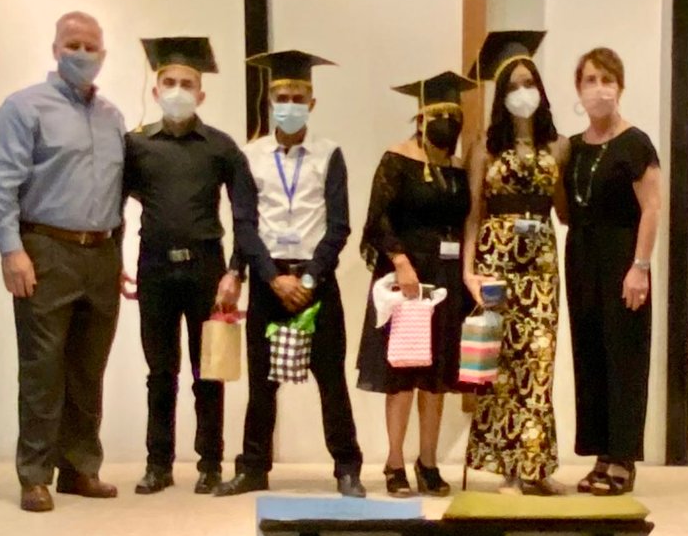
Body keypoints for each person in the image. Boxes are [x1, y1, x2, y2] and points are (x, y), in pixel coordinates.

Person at [0, 10, 125, 512]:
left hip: (101, 251)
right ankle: (35, 474)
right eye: (72, 44)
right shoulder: (25, 108)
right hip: (45, 248)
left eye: (90, 46)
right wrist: (11, 249)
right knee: (43, 367)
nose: (81, 54)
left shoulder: (112, 117)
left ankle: (80, 468)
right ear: (55, 49)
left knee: (89, 368)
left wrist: (117, 254)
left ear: (103, 54)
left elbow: (117, 192)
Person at [219, 50, 366, 498]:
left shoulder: (329, 155)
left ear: (312, 103)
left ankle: (347, 467)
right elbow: (244, 224)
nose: (289, 105)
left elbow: (338, 226)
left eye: (298, 98)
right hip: (270, 281)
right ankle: (253, 467)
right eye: (282, 97)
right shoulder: (250, 156)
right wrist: (270, 277)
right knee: (262, 382)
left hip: (315, 281)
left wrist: (308, 279)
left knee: (331, 379)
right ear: (270, 102)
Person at [122, 37, 249, 496]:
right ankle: (158, 464)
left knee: (207, 371)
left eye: (187, 84)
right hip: (155, 267)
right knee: (160, 372)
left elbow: (244, 214)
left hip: (207, 270)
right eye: (170, 82)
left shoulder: (220, 147)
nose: (178, 90)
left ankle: (210, 463)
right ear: (156, 91)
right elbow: (112, 207)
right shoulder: (136, 145)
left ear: (201, 93)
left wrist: (236, 271)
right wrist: (113, 261)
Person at [357, 70, 475, 496]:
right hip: (406, 277)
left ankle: (428, 461)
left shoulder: (457, 169)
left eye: (454, 116)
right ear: (422, 118)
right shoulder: (397, 159)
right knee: (403, 373)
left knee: (436, 376)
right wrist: (400, 261)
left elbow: (465, 221)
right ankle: (394, 462)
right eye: (439, 115)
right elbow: (377, 219)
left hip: (446, 277)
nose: (447, 124)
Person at [463, 31, 569, 494]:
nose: (522, 92)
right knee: (502, 366)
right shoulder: (485, 148)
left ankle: (535, 466)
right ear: (501, 96)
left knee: (539, 362)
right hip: (496, 260)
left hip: (541, 265)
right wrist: (469, 272)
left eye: (529, 83)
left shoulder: (558, 147)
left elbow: (564, 209)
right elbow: (473, 214)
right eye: (513, 86)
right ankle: (508, 466)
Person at [564, 46, 662, 495]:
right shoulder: (572, 148)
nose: (599, 89)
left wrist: (640, 266)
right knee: (591, 355)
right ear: (578, 88)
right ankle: (601, 454)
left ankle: (623, 457)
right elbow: (566, 208)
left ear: (620, 87)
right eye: (590, 80)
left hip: (623, 256)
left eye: (607, 80)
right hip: (582, 256)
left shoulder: (635, 143)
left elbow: (652, 207)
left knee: (624, 354)